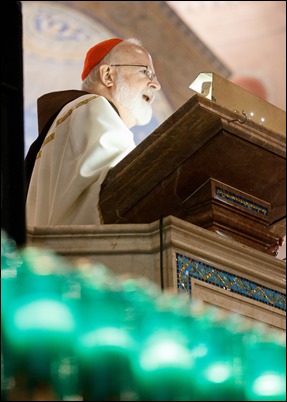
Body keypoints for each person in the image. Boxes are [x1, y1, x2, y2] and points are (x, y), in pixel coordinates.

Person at [25, 37, 161, 226]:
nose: (156, 85)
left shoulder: (72, 116)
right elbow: (122, 189)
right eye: (146, 72)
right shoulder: (94, 107)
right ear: (108, 75)